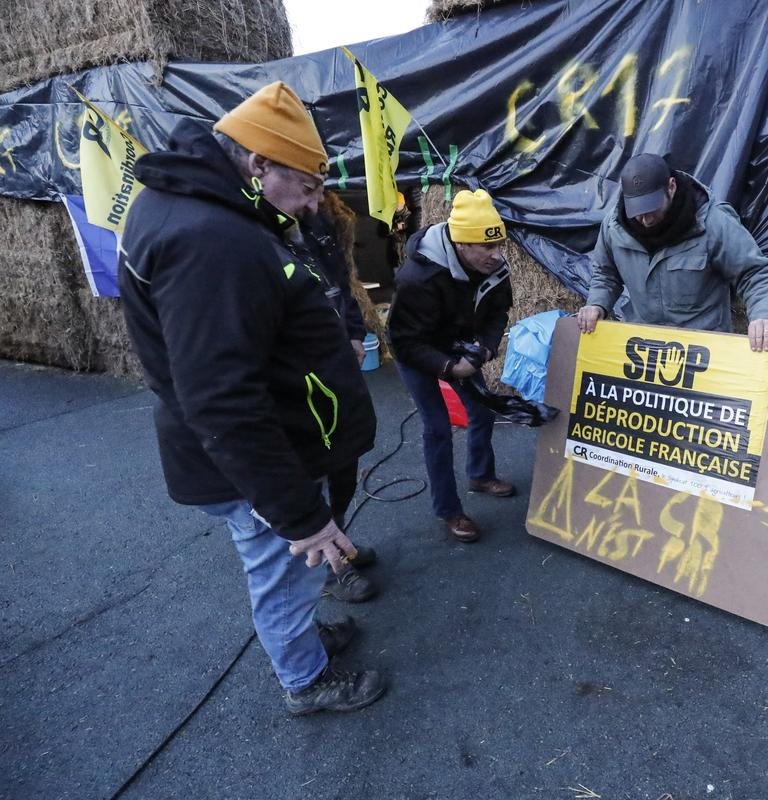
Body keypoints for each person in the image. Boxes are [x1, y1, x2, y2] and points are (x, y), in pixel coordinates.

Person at [119, 81, 386, 714]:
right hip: (253, 461)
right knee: (282, 565)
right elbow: (222, 399)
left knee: (286, 570)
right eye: (309, 187)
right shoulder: (212, 240)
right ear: (260, 162)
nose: (315, 206)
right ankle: (305, 680)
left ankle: (304, 644)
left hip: (254, 448)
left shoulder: (200, 203)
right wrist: (301, 514)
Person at [387, 189, 516, 544]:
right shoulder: (417, 277)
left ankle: (480, 474)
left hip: (459, 345)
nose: (497, 255)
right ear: (461, 244)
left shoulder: (495, 267)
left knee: (483, 410)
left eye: (500, 244)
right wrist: (447, 367)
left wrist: (486, 349)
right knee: (437, 428)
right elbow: (401, 340)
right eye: (487, 248)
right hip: (416, 351)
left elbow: (498, 312)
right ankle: (449, 510)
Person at [577, 153, 768, 352]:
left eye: (652, 208)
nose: (646, 220)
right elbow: (606, 274)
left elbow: (754, 273)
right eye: (638, 211)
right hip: (645, 348)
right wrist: (597, 304)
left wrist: (764, 315)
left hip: (705, 350)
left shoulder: (713, 223)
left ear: (671, 187)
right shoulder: (614, 228)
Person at [301, 201, 380, 603]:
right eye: (305, 187)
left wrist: (352, 333)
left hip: (336, 372)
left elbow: (343, 289)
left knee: (345, 464)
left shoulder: (321, 225)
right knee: (309, 477)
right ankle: (332, 567)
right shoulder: (254, 235)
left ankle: (340, 540)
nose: (312, 198)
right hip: (300, 383)